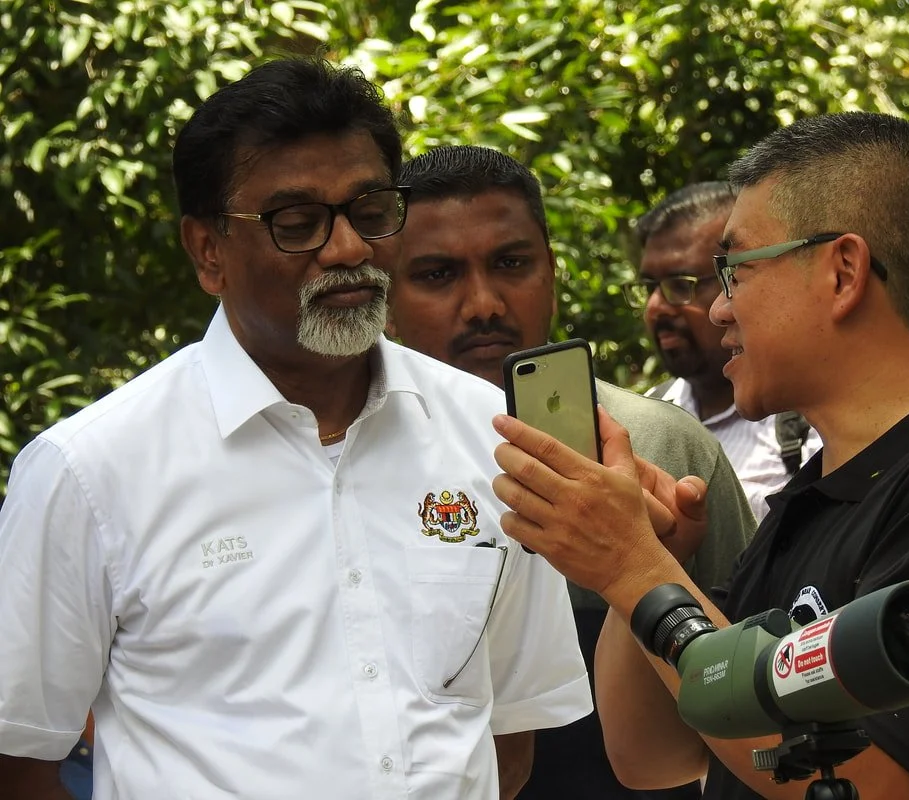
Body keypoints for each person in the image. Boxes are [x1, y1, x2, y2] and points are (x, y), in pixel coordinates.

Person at [0, 58, 592, 800]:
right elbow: (18, 763)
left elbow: (508, 735)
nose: (347, 250)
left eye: (370, 211)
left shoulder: (496, 440)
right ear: (208, 251)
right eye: (297, 224)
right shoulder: (89, 471)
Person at [487, 111, 909, 799]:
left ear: (843, 272)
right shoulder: (815, 496)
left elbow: (861, 784)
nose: (718, 310)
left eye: (734, 270)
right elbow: (655, 756)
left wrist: (631, 566)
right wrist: (645, 566)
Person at [387, 145, 756, 799]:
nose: (483, 304)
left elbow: (755, 696)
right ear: (385, 296)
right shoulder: (348, 468)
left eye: (511, 264)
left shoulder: (662, 447)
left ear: (551, 273)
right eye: (438, 274)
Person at [626, 182, 820, 520]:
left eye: (680, 285)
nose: (655, 308)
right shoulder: (639, 424)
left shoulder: (807, 420)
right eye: (648, 288)